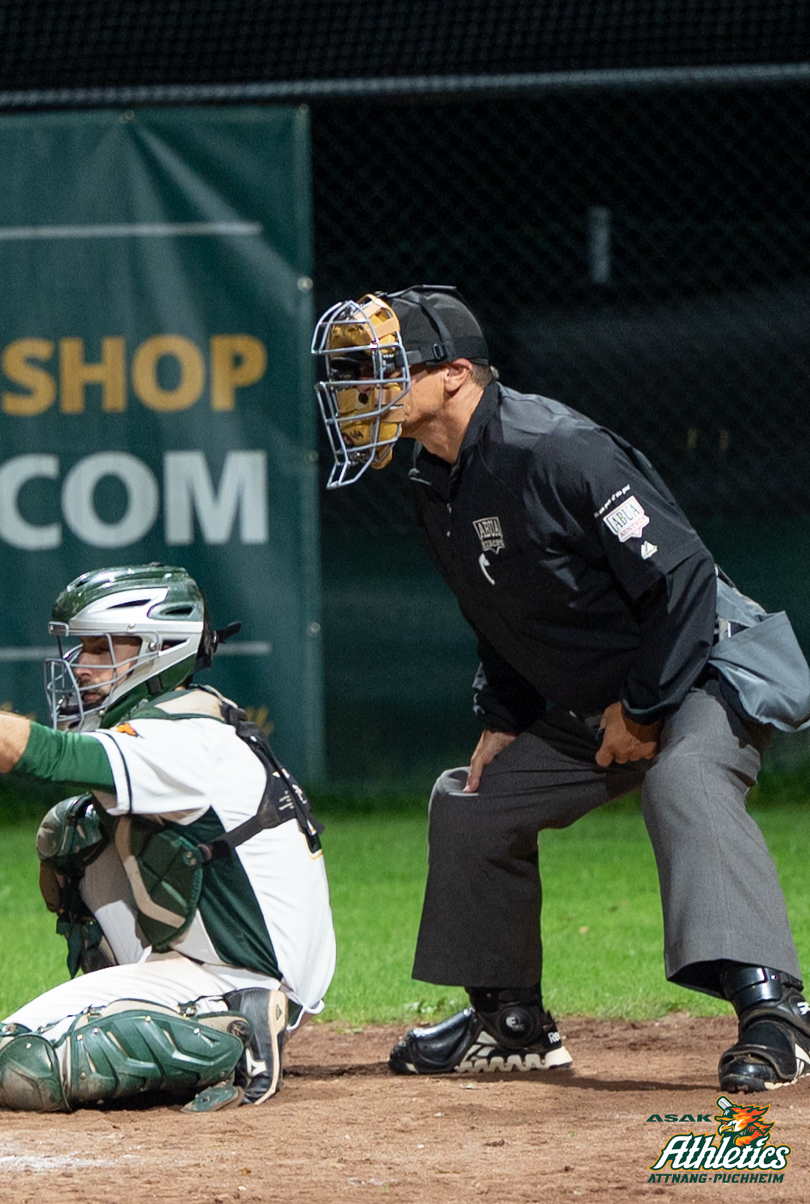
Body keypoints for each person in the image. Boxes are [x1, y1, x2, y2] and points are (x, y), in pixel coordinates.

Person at [313, 285, 810, 1091]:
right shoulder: (431, 479)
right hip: (602, 697)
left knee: (686, 776)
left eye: (383, 370)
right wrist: (502, 715)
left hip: (703, 665)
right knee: (474, 799)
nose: (360, 394)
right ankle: (509, 1022)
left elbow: (680, 579)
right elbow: (500, 605)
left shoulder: (556, 448)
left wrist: (645, 709)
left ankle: (775, 1013)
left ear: (455, 374)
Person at [0, 565, 335, 1114]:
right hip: (207, 963)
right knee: (73, 830)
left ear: (158, 650)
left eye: (100, 648)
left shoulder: (184, 740)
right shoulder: (183, 721)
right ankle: (161, 1008)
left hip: (245, 974)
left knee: (11, 1066)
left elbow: (45, 757)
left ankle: (237, 1034)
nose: (81, 665)